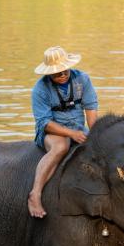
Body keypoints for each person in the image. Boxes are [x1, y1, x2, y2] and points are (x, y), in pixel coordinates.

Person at [28, 46, 99, 217]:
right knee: (62, 146)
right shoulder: (40, 89)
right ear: (49, 74)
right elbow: (44, 122)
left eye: (64, 71)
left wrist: (96, 136)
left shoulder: (83, 79)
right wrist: (71, 134)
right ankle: (35, 194)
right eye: (57, 73)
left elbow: (91, 110)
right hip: (52, 131)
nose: (62, 76)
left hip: (78, 128)